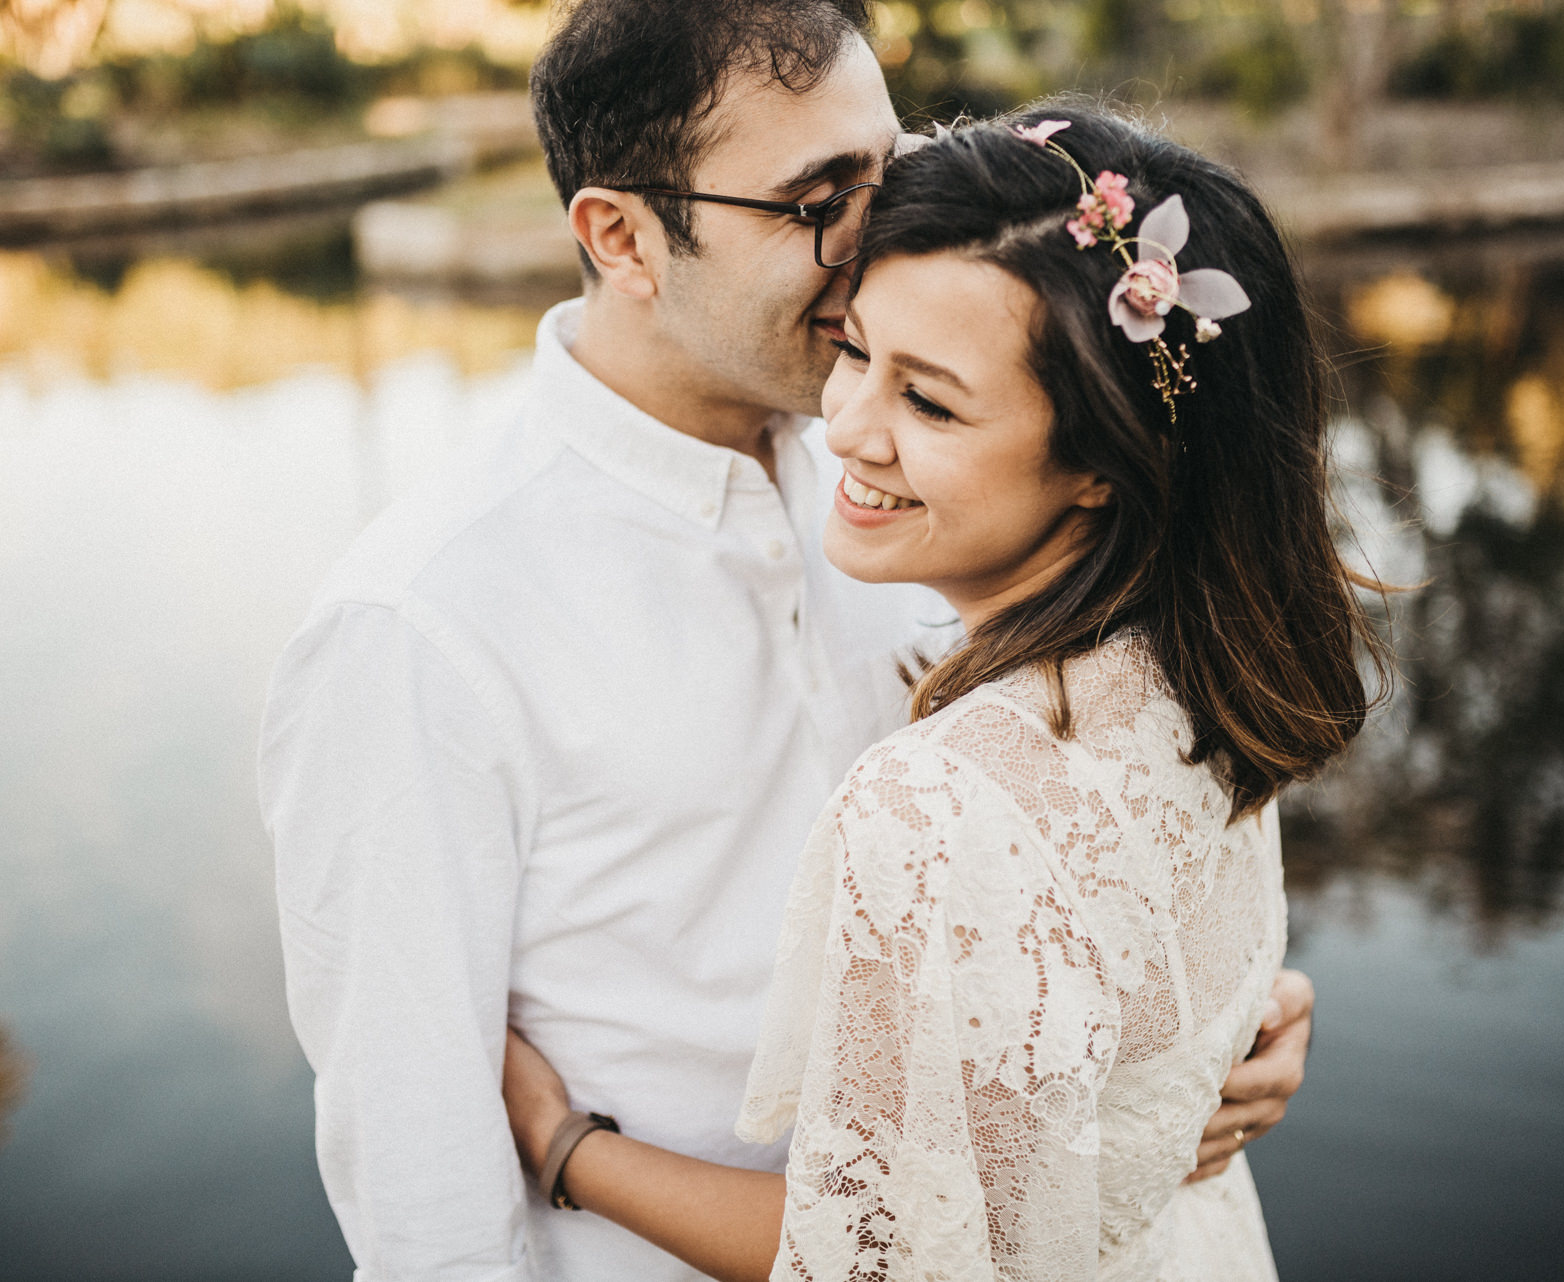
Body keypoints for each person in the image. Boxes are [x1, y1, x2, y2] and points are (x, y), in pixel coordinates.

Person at [259, 4, 1314, 1280]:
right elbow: (419, 1180)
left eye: (890, 166)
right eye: (820, 196)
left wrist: (1195, 1034)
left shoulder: (928, 473)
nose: (879, 231)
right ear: (622, 237)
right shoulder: (423, 626)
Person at [500, 104, 1382, 1281]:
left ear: (1099, 468)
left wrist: (564, 1146)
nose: (846, 425)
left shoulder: (940, 804)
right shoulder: (1204, 668)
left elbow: (878, 1265)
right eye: (854, 350)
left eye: (931, 402)